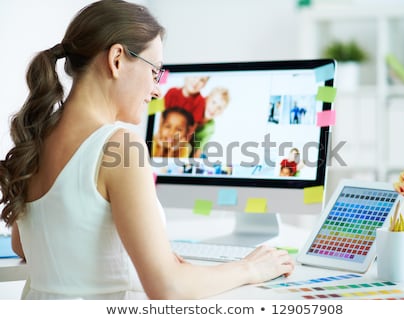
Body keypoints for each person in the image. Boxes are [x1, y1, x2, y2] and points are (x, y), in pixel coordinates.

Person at [0, 0, 293, 300]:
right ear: (116, 60)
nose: (156, 90)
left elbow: (24, 245)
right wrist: (249, 269)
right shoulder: (120, 146)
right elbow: (167, 288)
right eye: (155, 72)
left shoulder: (37, 136)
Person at [192, 86, 229, 158]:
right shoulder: (196, 108)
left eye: (219, 108)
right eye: (213, 102)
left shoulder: (211, 127)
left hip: (194, 149)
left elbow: (199, 149)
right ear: (206, 99)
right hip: (182, 140)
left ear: (221, 112)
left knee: (204, 157)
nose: (214, 108)